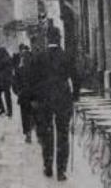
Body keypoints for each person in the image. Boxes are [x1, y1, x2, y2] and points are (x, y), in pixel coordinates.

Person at [28, 28, 78, 181]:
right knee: (63, 134)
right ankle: (61, 171)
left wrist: (33, 99)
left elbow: (32, 81)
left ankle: (48, 165)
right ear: (59, 39)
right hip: (63, 99)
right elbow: (76, 77)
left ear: (47, 39)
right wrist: (75, 96)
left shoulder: (39, 57)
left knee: (46, 133)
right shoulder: (67, 56)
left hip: (44, 100)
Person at [12, 45, 34, 143]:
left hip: (24, 95)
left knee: (25, 115)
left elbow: (14, 82)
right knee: (33, 112)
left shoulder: (19, 68)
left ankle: (28, 132)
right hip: (33, 94)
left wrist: (17, 91)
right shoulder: (35, 66)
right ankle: (32, 129)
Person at [0, 47, 14, 117]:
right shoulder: (6, 59)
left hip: (5, 80)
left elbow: (6, 69)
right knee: (4, 95)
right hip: (4, 80)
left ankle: (5, 110)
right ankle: (7, 110)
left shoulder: (5, 60)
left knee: (3, 95)